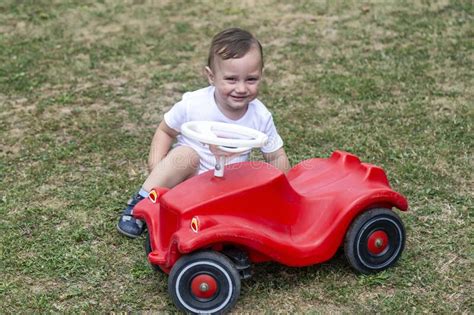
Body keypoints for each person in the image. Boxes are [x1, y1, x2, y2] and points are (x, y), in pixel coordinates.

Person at [117, 27, 291, 238]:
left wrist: (286, 192)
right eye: (231, 79)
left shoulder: (260, 116)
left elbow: (276, 155)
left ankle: (225, 226)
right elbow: (165, 130)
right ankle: (143, 201)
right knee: (186, 154)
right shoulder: (194, 104)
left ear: (261, 75)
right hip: (187, 179)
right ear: (211, 76)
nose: (242, 88)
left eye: (251, 79)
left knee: (254, 174)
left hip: (228, 188)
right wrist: (157, 167)